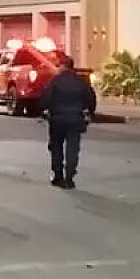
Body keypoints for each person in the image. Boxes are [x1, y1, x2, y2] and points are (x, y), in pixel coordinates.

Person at [39, 55, 97, 189]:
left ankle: (58, 176)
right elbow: (90, 98)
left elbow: (46, 97)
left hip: (57, 119)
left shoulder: (55, 81)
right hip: (75, 119)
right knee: (72, 148)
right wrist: (89, 113)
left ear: (63, 66)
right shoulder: (81, 81)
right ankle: (70, 176)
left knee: (56, 147)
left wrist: (43, 110)